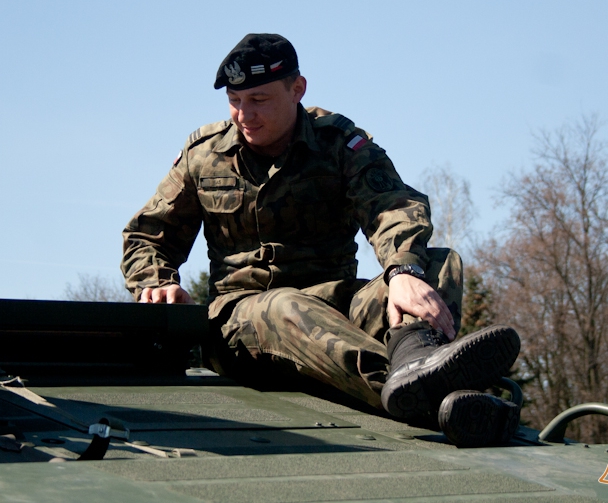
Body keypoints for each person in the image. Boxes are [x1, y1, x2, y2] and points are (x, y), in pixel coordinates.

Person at [121, 33, 520, 445]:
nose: (244, 115)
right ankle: (418, 392)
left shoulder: (337, 143)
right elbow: (146, 234)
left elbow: (392, 203)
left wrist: (402, 269)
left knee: (436, 263)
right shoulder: (203, 155)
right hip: (242, 325)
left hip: (337, 305)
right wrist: (156, 281)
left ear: (298, 89)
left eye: (259, 100)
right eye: (235, 102)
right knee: (284, 305)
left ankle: (418, 358)